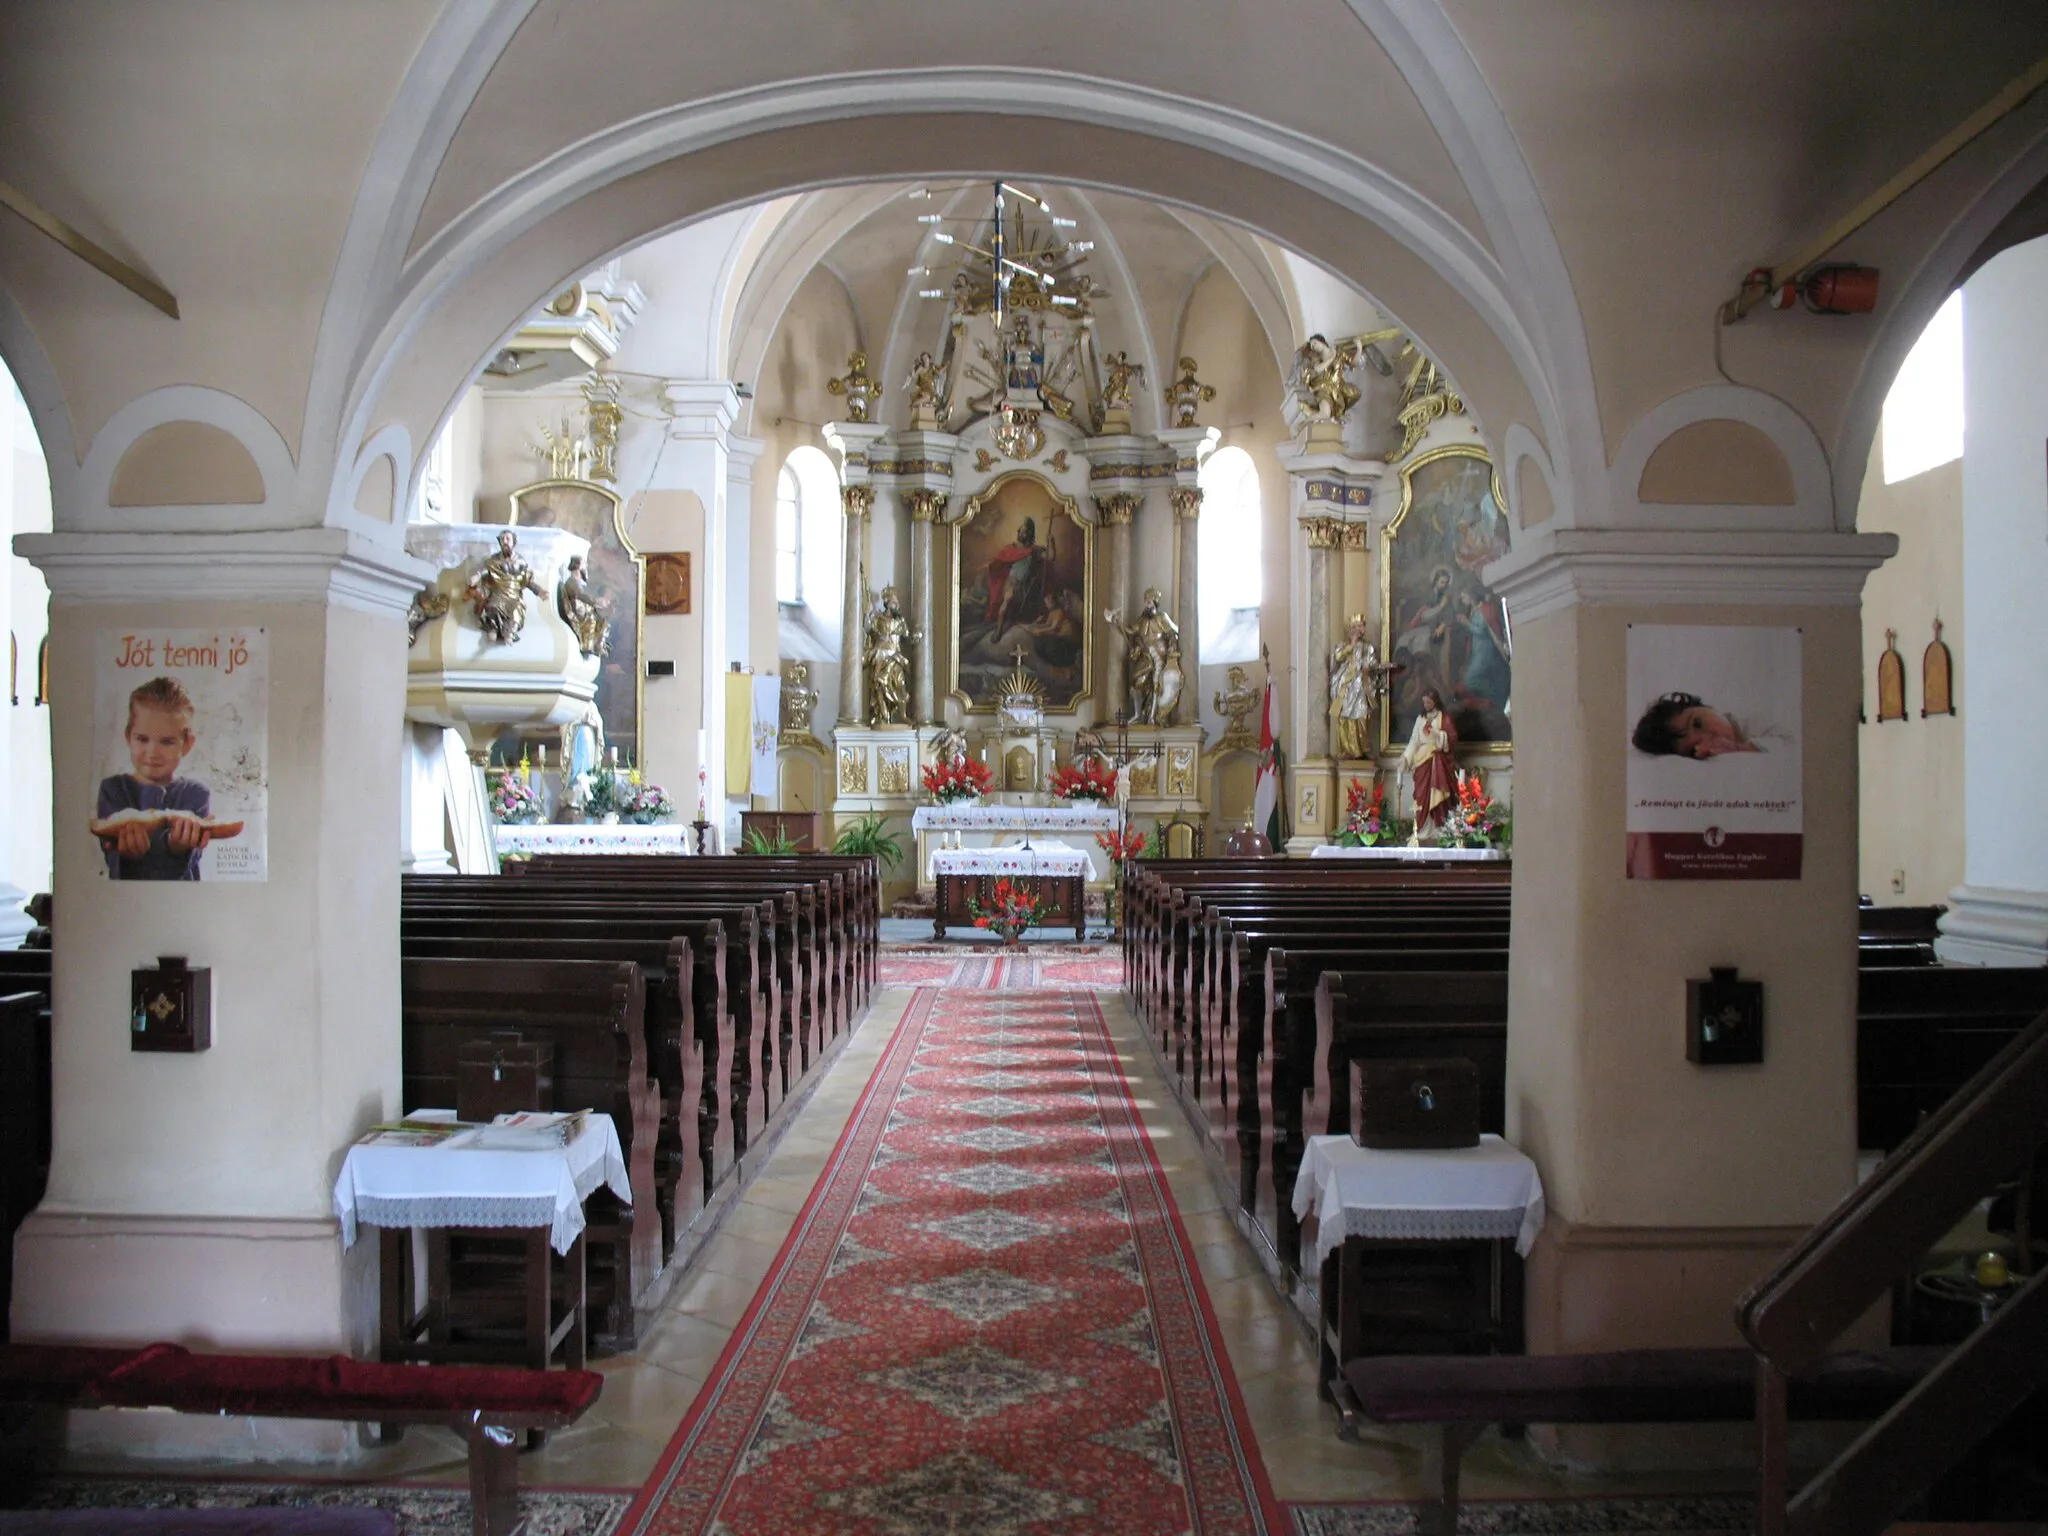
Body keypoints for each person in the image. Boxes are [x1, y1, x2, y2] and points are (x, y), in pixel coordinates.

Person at [95, 676, 219, 881]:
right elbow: (112, 860)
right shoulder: (113, 789)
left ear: (187, 744)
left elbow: (193, 861)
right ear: (128, 737)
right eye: (142, 739)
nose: (152, 752)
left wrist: (179, 850)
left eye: (167, 742)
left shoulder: (196, 794)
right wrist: (126, 852)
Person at [468, 528, 547, 644]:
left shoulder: (520, 561)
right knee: (493, 606)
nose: (505, 541)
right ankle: (493, 628)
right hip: (499, 592)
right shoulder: (494, 560)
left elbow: (527, 581)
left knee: (516, 609)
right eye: (502, 539)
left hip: (514, 594)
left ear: (513, 542)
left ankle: (509, 632)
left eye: (507, 539)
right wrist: (476, 576)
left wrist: (539, 591)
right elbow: (483, 570)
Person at [1631, 692, 1765, 758]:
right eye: (1694, 749)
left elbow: (1783, 744)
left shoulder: (1752, 720)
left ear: (1704, 707)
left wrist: (1738, 748)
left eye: (1697, 723)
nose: (1707, 739)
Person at [1402, 688, 1459, 841]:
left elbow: (1452, 738)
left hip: (1437, 761)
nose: (1426, 705)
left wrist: (1435, 733)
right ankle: (1422, 829)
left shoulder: (1443, 717)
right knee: (1421, 796)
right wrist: (1405, 758)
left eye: (1429, 702)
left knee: (1438, 795)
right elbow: (1414, 741)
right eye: (1424, 702)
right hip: (1422, 762)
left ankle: (1439, 829)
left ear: (1435, 701)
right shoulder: (1420, 719)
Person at [982, 517, 1052, 637]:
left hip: (1025, 586)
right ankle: (998, 631)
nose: (1021, 534)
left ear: (1029, 533)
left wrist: (1051, 543)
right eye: (1020, 531)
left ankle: (1014, 621)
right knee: (1007, 600)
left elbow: (1050, 559)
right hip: (1012, 582)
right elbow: (1002, 558)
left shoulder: (1034, 550)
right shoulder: (1013, 548)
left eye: (1024, 532)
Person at [1328, 615, 1380, 760]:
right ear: (1351, 629)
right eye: (1357, 626)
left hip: (1361, 684)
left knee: (1363, 715)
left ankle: (1362, 748)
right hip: (1346, 685)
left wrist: (1370, 668)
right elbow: (1338, 657)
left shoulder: (1368, 647)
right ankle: (1348, 749)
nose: (1360, 629)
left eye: (1362, 626)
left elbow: (1373, 663)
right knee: (1345, 717)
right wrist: (1352, 644)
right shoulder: (1343, 645)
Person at [556, 554, 611, 657]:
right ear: (579, 566)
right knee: (599, 620)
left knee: (603, 621)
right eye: (584, 564)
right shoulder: (573, 580)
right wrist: (594, 601)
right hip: (578, 610)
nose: (586, 567)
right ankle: (591, 644)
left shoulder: (577, 581)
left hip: (582, 608)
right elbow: (580, 595)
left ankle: (598, 644)